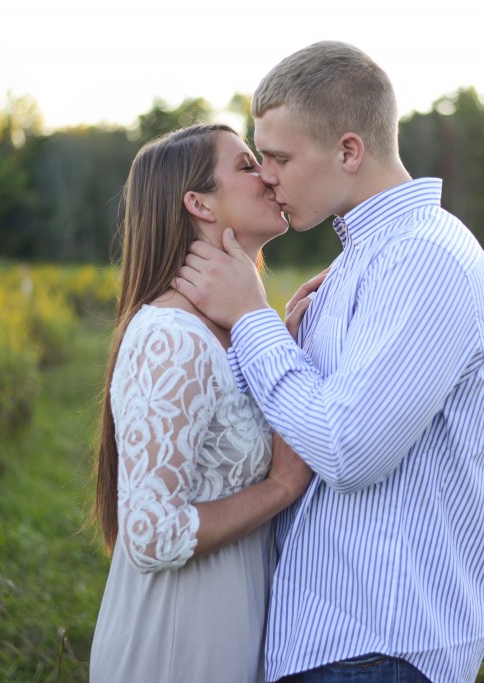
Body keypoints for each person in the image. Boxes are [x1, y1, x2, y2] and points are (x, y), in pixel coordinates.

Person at [173, 41, 484, 682]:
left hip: (380, 647)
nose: (266, 175)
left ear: (349, 151)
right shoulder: (367, 259)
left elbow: (347, 451)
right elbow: (295, 422)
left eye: (279, 157)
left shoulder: (426, 260)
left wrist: (251, 320)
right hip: (338, 643)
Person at [89, 123, 313, 682]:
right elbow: (150, 533)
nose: (267, 174)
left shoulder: (230, 332)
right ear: (198, 204)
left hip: (227, 630)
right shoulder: (172, 338)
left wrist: (273, 334)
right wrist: (280, 489)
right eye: (244, 165)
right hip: (176, 645)